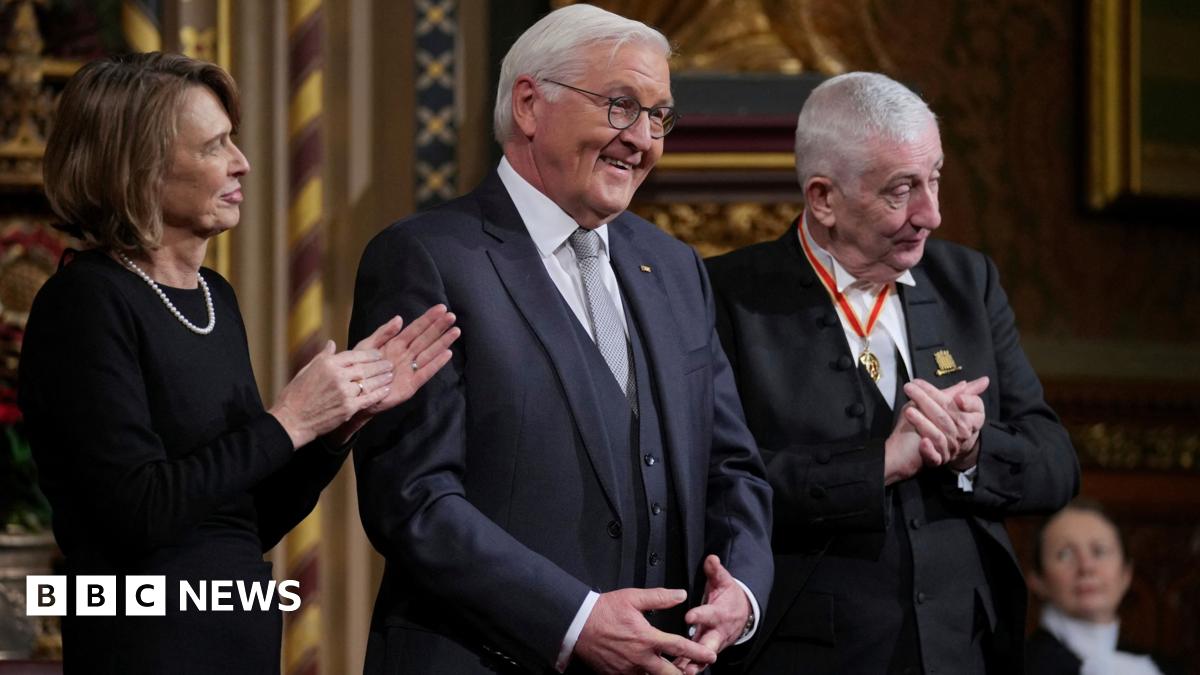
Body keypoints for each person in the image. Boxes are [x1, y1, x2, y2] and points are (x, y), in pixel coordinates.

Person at [349, 5, 773, 674]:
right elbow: (414, 498)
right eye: (621, 106)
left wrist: (740, 591)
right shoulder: (427, 259)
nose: (643, 139)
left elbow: (733, 467)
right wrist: (574, 619)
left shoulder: (675, 268)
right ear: (528, 104)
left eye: (659, 117)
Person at [18, 52, 459, 674]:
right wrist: (289, 422)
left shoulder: (212, 297)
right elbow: (137, 512)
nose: (241, 162)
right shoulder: (85, 303)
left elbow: (244, 522)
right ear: (137, 169)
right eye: (213, 146)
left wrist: (335, 426)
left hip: (236, 641)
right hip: (145, 648)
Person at [704, 71, 1079, 674]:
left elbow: (1057, 463)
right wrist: (879, 463)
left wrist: (972, 451)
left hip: (966, 647)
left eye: (934, 178)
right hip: (813, 650)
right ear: (823, 197)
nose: (931, 214)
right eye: (901, 190)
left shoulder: (968, 283)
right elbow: (715, 481)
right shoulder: (729, 296)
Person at [1025, 500, 1167, 675]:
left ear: (1126, 573)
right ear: (1037, 580)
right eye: (1065, 554)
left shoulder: (1156, 667)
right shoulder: (1019, 667)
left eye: (1099, 551)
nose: (1086, 567)